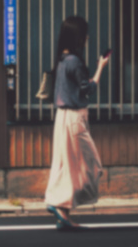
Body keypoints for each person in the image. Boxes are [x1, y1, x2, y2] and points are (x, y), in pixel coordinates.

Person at [44, 16, 109, 230]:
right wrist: (101, 66)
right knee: (90, 164)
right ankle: (57, 203)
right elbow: (88, 89)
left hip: (63, 118)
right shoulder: (74, 62)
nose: (87, 38)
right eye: (84, 34)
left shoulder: (62, 60)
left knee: (67, 165)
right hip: (74, 118)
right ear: (77, 37)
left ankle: (62, 212)